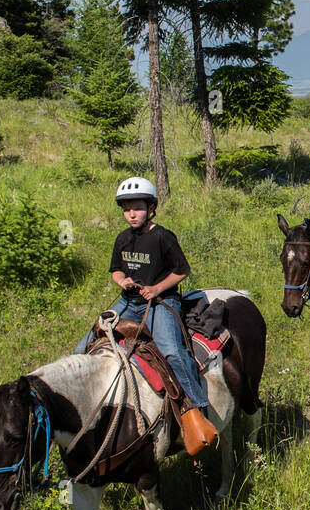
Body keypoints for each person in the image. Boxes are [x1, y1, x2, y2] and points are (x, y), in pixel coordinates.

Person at [73, 178, 214, 424]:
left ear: (150, 208)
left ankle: (198, 405)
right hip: (129, 301)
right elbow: (116, 270)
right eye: (127, 209)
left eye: (137, 208)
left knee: (171, 350)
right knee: (84, 344)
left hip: (161, 301)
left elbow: (182, 270)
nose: (131, 214)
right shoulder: (123, 238)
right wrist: (121, 281)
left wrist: (156, 288)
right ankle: (80, 403)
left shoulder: (163, 237)